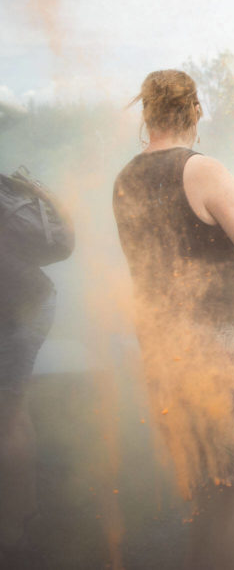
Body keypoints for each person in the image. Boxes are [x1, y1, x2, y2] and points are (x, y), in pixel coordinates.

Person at [113, 70, 234, 570]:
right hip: (218, 346)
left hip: (164, 342)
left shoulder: (125, 178)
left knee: (208, 483)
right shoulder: (200, 168)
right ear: (195, 111)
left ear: (147, 114)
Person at [1, 166, 73, 565]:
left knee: (7, 414)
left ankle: (11, 531)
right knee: (12, 408)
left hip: (15, 310)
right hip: (24, 300)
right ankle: (23, 510)